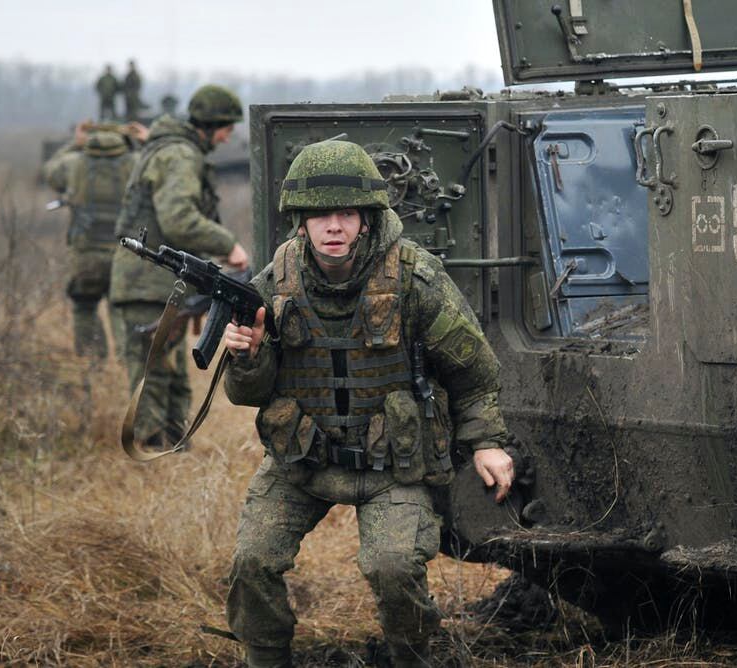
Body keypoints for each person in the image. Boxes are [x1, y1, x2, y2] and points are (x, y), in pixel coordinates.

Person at [219, 140, 516, 668]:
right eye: (320, 216)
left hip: (393, 467)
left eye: (347, 213)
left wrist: (487, 444)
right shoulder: (276, 282)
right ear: (300, 222)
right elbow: (250, 395)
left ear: (367, 218)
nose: (334, 227)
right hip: (302, 462)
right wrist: (247, 357)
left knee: (393, 566)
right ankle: (265, 658)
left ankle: (410, 657)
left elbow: (473, 371)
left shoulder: (413, 278)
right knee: (253, 559)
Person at [109, 84, 250, 450]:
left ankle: (173, 445)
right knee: (152, 369)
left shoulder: (174, 149)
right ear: (212, 123)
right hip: (148, 281)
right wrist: (227, 244)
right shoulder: (180, 156)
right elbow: (179, 218)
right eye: (227, 127)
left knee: (167, 369)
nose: (229, 136)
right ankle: (156, 449)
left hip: (156, 281)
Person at [43, 122, 141, 359]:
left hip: (86, 253)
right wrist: (140, 140)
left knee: (85, 306)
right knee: (123, 310)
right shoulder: (137, 163)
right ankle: (127, 368)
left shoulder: (73, 163)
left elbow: (50, 173)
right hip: (126, 252)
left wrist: (74, 144)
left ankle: (91, 364)